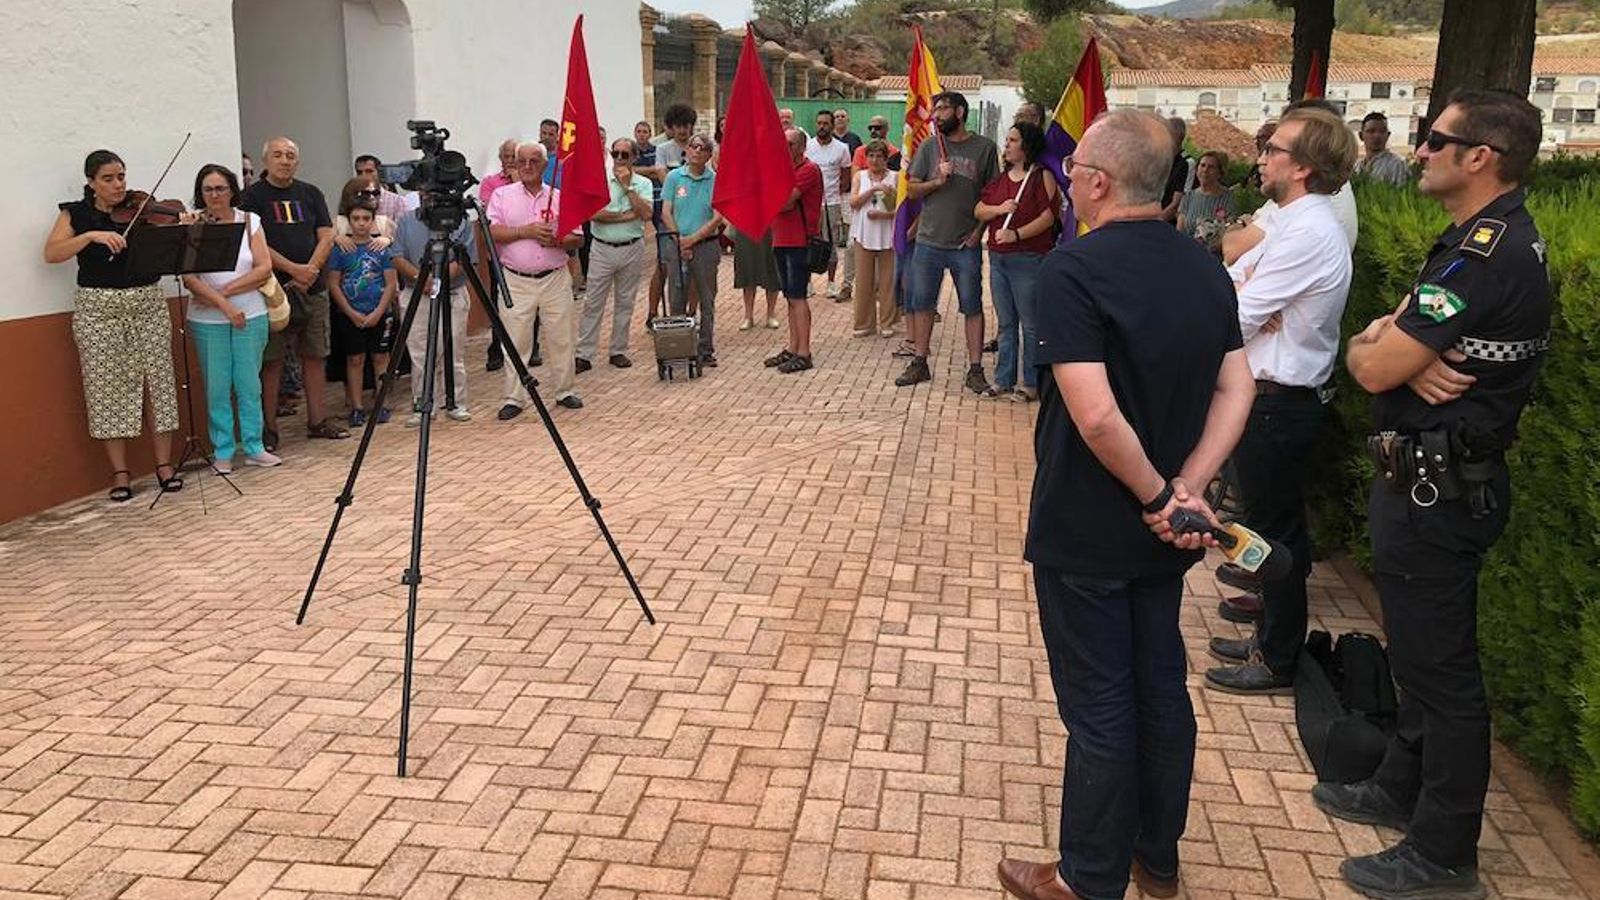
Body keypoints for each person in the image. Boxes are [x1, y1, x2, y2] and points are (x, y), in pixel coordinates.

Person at [999, 108, 1255, 900]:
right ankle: (1156, 854)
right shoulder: (1204, 267)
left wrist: (1156, 496)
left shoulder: (1076, 270)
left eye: (1075, 174)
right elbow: (1236, 383)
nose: (1069, 184)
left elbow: (1096, 413)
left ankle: (1087, 877)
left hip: (1092, 526)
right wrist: (1191, 490)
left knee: (1102, 705)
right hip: (1165, 532)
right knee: (1159, 687)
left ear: (1100, 182)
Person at [1325, 90, 1549, 900]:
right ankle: (1398, 787)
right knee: (1417, 662)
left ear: (1479, 155)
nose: (1419, 150)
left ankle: (1444, 851)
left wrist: (1384, 346)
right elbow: (1379, 345)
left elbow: (1377, 365)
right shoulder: (1477, 244)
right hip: (1424, 483)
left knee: (1444, 676)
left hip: (1440, 493)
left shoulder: (1484, 256)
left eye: (1434, 139)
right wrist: (1381, 338)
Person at [1202, 107, 1357, 696]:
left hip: (1277, 403)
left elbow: (1236, 318)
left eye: (1275, 149)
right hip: (1266, 396)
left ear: (1307, 167)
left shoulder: (1311, 232)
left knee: (1275, 536)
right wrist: (1244, 296)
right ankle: (1269, 635)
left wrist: (1244, 298)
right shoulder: (1290, 221)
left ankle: (1277, 656)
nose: (1262, 156)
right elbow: (1236, 289)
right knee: (1272, 529)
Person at [42, 150, 186, 500]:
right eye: (108, 178)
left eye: (121, 176)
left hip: (147, 304)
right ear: (91, 182)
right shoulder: (75, 213)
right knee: (106, 390)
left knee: (159, 384)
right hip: (99, 312)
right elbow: (52, 253)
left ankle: (164, 465)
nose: (118, 184)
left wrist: (184, 223)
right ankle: (120, 473)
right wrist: (90, 236)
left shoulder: (141, 208)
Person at [239, 137, 346, 444]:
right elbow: (254, 241)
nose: (284, 161)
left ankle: (317, 421)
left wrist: (310, 269)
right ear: (266, 161)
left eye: (290, 156)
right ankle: (269, 429)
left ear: (297, 162)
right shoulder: (252, 197)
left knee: (314, 355)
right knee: (271, 360)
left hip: (314, 287)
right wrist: (293, 269)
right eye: (277, 155)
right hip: (272, 289)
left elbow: (326, 234)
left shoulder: (310, 193)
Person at [181, 163, 281, 473]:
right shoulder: (193, 225)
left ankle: (254, 445)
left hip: (250, 312)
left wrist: (227, 292)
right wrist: (224, 306)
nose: (214, 195)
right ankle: (222, 450)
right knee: (217, 386)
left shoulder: (250, 221)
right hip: (208, 319)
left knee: (249, 383)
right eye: (208, 189)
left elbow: (263, 267)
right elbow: (189, 277)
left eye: (220, 188)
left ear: (232, 190)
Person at [897, 90, 1000, 391]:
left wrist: (977, 234)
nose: (936, 114)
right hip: (929, 241)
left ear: (960, 112)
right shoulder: (929, 147)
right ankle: (919, 362)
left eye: (942, 109)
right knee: (922, 303)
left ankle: (976, 369)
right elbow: (913, 190)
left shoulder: (985, 148)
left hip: (964, 245)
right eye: (935, 109)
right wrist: (937, 181)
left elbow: (993, 196)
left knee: (972, 306)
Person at [486, 142, 584, 417]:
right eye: (522, 162)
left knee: (561, 337)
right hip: (516, 279)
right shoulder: (502, 196)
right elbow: (492, 233)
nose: (527, 167)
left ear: (544, 165)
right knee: (516, 340)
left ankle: (565, 391)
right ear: (515, 165)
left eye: (534, 161)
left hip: (554, 277)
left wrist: (557, 239)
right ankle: (514, 398)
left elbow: (578, 237)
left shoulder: (559, 196)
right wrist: (526, 232)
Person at [974, 121, 1058, 403]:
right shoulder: (1000, 180)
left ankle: (1031, 383)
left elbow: (1048, 218)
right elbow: (979, 209)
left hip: (1028, 259)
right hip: (998, 259)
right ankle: (1003, 379)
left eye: (1012, 140)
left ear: (1027, 146)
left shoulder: (1040, 177)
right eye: (1007, 140)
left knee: (1030, 324)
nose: (1007, 145)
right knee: (1006, 323)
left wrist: (1017, 233)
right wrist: (1000, 209)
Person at [391, 200, 477, 426]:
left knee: (453, 352)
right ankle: (422, 405)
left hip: (453, 292)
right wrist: (423, 279)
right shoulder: (406, 220)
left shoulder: (461, 219)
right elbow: (397, 256)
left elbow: (464, 258)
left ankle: (456, 403)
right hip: (415, 292)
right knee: (419, 354)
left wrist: (438, 278)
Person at [578, 137, 652, 371]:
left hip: (632, 246)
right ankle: (584, 353)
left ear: (634, 158)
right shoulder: (600, 181)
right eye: (616, 153)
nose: (619, 158)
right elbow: (593, 213)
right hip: (602, 247)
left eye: (624, 155)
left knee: (625, 301)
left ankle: (618, 350)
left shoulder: (642, 183)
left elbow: (646, 213)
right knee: (593, 302)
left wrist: (628, 188)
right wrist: (627, 214)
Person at [326, 200, 397, 427]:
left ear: (373, 221)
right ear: (349, 221)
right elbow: (334, 284)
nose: (361, 224)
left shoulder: (381, 248)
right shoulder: (341, 249)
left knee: (380, 358)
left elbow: (390, 283)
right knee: (355, 359)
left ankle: (382, 403)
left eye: (366, 219)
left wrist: (379, 311)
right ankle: (356, 406)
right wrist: (349, 311)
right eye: (356, 219)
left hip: (378, 312)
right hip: (350, 314)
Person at [661, 134, 723, 368]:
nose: (697, 151)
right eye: (693, 146)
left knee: (707, 299)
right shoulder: (674, 177)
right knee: (676, 297)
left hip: (706, 246)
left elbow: (718, 216)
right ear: (686, 150)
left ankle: (705, 349)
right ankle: (679, 349)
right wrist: (680, 240)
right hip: (676, 244)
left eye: (703, 148)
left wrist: (693, 240)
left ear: (709, 155)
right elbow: (666, 211)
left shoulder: (715, 180)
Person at [765, 128, 824, 375]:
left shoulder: (808, 170)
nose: (784, 149)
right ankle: (793, 346)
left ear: (801, 147)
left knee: (798, 296)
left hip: (799, 241)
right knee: (790, 296)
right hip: (781, 239)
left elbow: (786, 201)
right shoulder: (785, 170)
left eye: (789, 144)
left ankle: (804, 352)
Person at [648, 103, 697, 324]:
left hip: (695, 215)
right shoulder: (663, 149)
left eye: (686, 125)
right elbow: (661, 175)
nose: (683, 130)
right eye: (678, 125)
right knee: (664, 266)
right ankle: (652, 312)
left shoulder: (699, 146)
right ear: (671, 126)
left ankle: (691, 313)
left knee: (695, 267)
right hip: (669, 215)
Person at [847, 139, 899, 339]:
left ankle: (887, 322)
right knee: (863, 281)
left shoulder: (894, 178)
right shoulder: (860, 176)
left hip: (887, 234)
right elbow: (853, 202)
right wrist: (870, 191)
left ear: (886, 159)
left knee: (887, 281)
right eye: (871, 156)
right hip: (863, 233)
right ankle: (864, 323)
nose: (875, 160)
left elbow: (900, 210)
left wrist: (884, 211)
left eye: (879, 156)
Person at [806, 109, 853, 301]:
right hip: (810, 203)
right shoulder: (807, 146)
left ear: (832, 126)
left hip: (832, 203)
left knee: (831, 243)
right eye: (819, 123)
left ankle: (832, 283)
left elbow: (846, 176)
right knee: (807, 242)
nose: (821, 127)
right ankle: (807, 283)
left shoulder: (842, 148)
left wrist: (834, 194)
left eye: (825, 123)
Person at [1177, 150, 1239, 240]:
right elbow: (1180, 231)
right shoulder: (1188, 197)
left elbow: (1230, 233)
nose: (1205, 170)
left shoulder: (1229, 199)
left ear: (1220, 173)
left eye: (1211, 167)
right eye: (1202, 165)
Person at [334, 177, 397, 245]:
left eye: (375, 193)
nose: (372, 197)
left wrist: (389, 240)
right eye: (366, 193)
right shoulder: (338, 223)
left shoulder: (384, 223)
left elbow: (401, 246)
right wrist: (335, 238)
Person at [1354, 111, 1411, 185]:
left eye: (1382, 131)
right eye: (1371, 131)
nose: (1377, 136)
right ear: (1361, 136)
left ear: (1388, 135)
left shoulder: (1397, 165)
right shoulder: (1357, 166)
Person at [353, 155, 408, 221]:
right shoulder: (352, 199)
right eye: (359, 172)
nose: (364, 176)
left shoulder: (397, 201)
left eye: (369, 171)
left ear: (380, 173)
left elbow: (402, 229)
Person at [1161, 116, 1192, 224]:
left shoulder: (1187, 163)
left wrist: (1155, 223)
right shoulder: (1163, 160)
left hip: (1171, 225)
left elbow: (1178, 204)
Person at [478, 138, 520, 204]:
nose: (510, 161)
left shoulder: (530, 181)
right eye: (506, 157)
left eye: (514, 157)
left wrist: (518, 183)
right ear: (500, 158)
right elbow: (489, 210)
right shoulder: (489, 182)